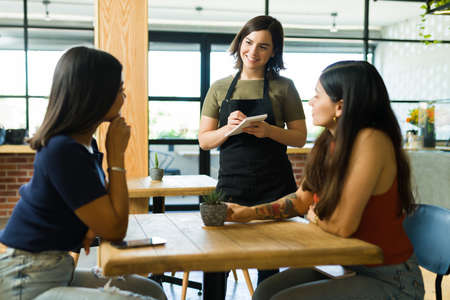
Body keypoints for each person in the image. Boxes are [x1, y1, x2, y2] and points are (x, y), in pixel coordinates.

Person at [226, 60, 425, 300]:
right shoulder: (328, 143)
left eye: (317, 96)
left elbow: (343, 226)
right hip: (352, 266)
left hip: (392, 280)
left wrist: (316, 217)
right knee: (265, 291)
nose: (310, 102)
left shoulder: (371, 140)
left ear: (339, 107)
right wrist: (247, 213)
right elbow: (301, 201)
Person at [0, 46, 166, 300]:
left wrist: (90, 225)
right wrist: (117, 156)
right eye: (119, 90)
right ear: (95, 95)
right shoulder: (62, 150)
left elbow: (107, 215)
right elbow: (114, 229)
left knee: (151, 290)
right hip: (27, 280)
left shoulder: (85, 147)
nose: (124, 97)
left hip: (55, 269)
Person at [198, 15, 307, 285]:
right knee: (216, 260)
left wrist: (269, 131)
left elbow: (300, 137)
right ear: (239, 43)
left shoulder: (285, 87)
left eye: (263, 46)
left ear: (274, 52)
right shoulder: (219, 88)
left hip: (275, 187)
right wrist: (228, 129)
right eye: (248, 42)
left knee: (268, 264)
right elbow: (204, 140)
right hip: (231, 185)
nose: (253, 51)